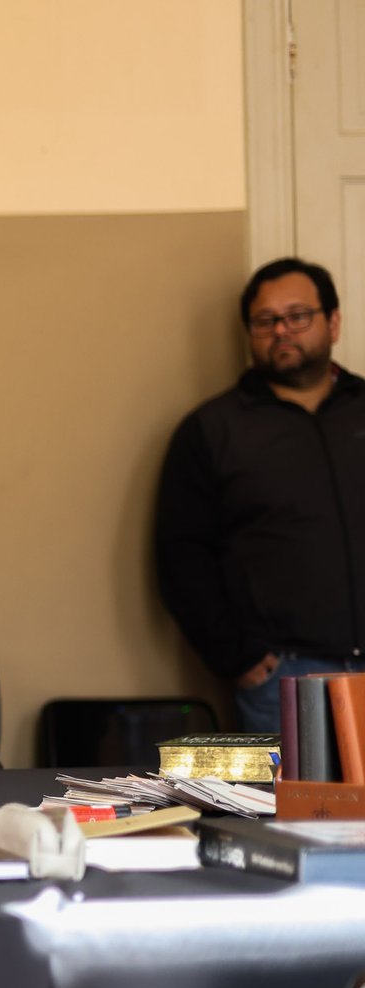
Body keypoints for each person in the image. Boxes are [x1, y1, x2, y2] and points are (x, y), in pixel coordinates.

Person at [156, 257, 365, 733]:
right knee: (295, 810)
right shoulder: (213, 429)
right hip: (286, 678)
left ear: (332, 321)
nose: (281, 331)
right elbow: (182, 554)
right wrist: (240, 657)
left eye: (298, 316)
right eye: (266, 321)